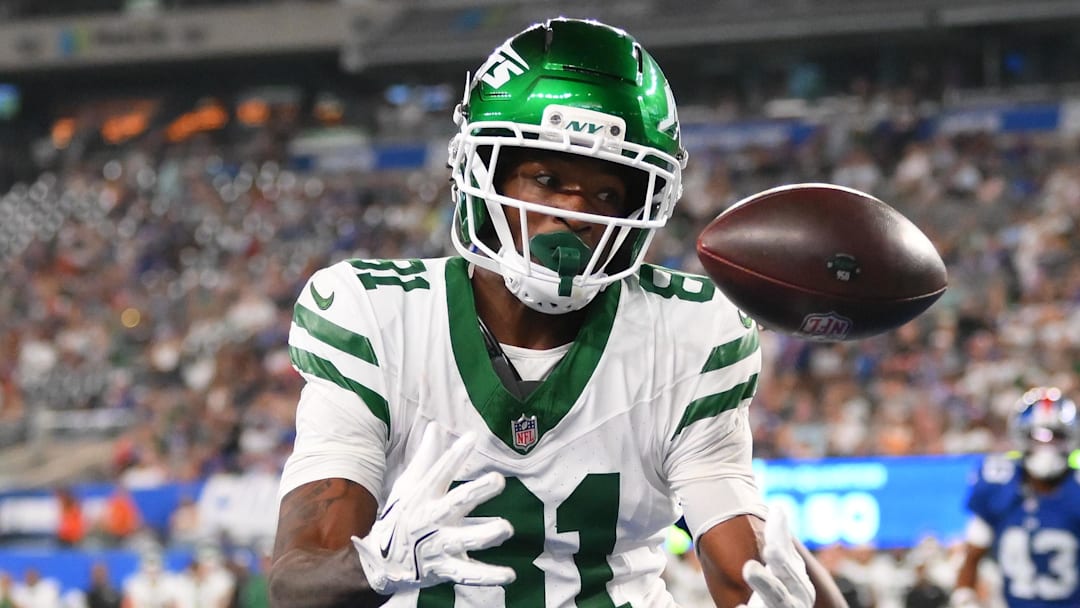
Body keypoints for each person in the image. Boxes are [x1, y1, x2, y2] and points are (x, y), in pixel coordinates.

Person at [270, 17, 847, 608]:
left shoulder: (690, 331)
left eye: (607, 194)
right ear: (482, 174)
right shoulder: (374, 317)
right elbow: (296, 581)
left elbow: (745, 568)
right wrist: (374, 567)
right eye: (547, 178)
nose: (576, 212)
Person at [952, 386, 1080, 607]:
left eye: (1055, 437)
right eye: (1037, 437)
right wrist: (964, 599)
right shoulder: (999, 484)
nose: (1046, 448)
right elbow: (972, 557)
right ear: (1021, 437)